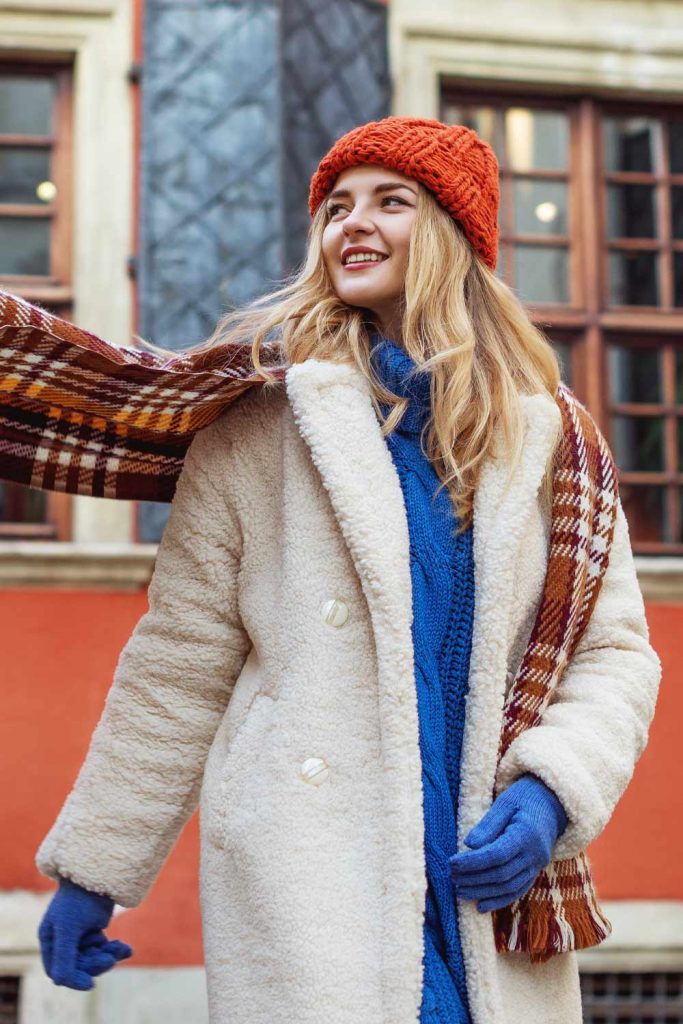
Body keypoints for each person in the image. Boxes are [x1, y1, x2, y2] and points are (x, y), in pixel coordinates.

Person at [35, 117, 661, 1024]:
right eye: (335, 208)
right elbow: (180, 661)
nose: (350, 225)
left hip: (481, 881)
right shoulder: (259, 422)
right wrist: (96, 870)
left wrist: (548, 792)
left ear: (452, 233)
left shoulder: (552, 438)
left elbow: (614, 654)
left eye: (389, 203)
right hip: (307, 873)